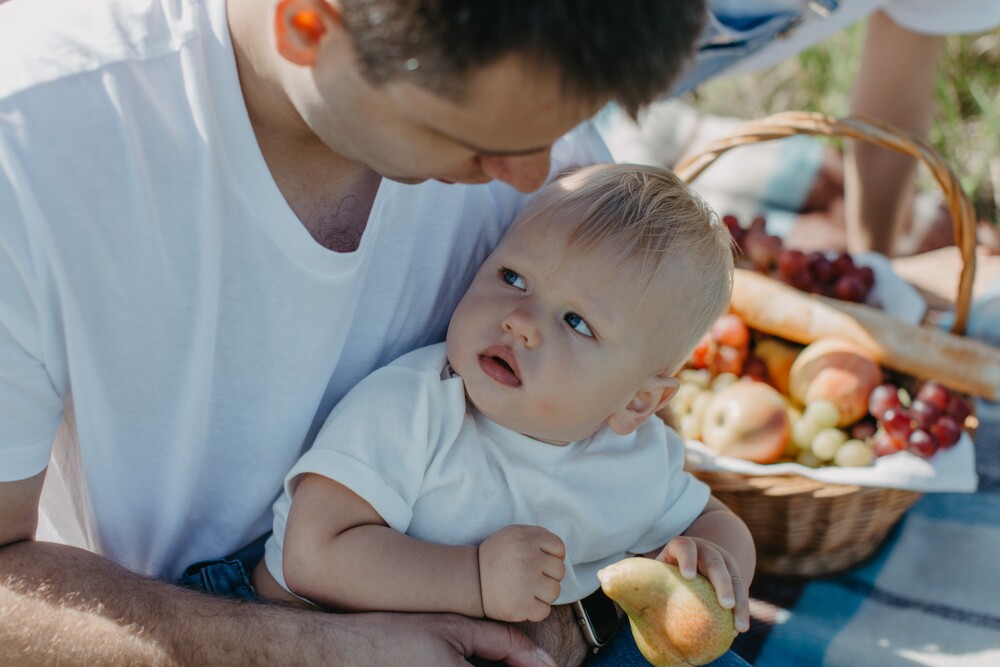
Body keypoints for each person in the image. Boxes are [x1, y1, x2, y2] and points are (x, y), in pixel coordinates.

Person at [0, 0, 744, 665]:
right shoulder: (33, 141)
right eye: (473, 138)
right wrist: (323, 648)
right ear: (307, 27)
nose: (531, 177)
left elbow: (617, 470)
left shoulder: (524, 81)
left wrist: (589, 615)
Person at [249, 165, 755, 651]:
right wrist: (474, 577)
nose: (521, 321)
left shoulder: (637, 460)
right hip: (307, 630)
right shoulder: (414, 407)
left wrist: (715, 560)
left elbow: (718, 521)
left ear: (637, 401)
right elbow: (312, 554)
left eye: (576, 322)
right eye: (513, 278)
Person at [599, 0, 1000, 256]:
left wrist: (870, 269)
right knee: (636, 237)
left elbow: (895, 96)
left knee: (813, 219)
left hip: (648, 112)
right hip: (574, 103)